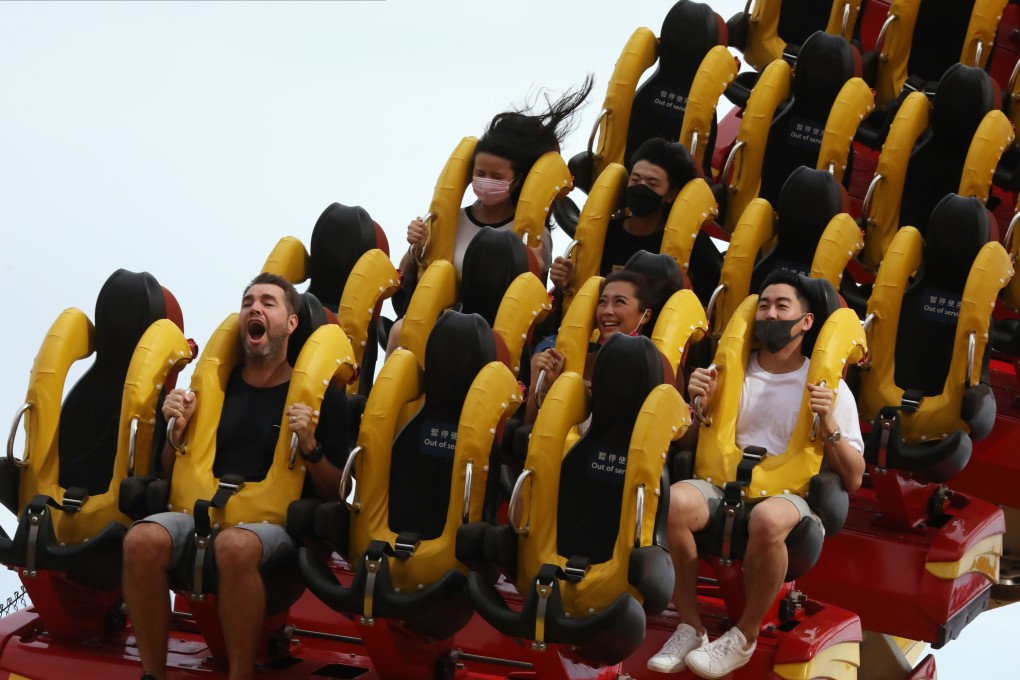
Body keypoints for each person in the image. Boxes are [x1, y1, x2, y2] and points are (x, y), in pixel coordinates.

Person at [123, 273, 349, 680]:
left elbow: (337, 492)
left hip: (271, 527)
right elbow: (167, 471)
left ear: (290, 323)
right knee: (142, 537)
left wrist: (310, 444)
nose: (255, 309)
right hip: (201, 511)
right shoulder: (214, 390)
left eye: (268, 302)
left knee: (235, 545)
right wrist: (175, 432)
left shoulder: (319, 398)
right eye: (248, 302)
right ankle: (152, 674)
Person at [647, 271, 865, 678]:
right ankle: (689, 626)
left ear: (806, 322)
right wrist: (697, 403)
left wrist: (829, 421)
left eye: (782, 306)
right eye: (764, 305)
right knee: (674, 500)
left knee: (766, 519)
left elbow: (853, 477)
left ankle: (743, 635)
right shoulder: (728, 371)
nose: (770, 313)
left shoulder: (828, 386)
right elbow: (690, 444)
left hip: (786, 494)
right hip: (720, 482)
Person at [549, 137, 699, 293]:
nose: (641, 187)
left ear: (671, 194)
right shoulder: (603, 234)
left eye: (652, 183)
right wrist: (566, 281)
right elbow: (574, 288)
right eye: (635, 179)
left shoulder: (689, 244)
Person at [523, 269, 654, 424]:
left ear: (645, 316)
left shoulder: (655, 368)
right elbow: (528, 428)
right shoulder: (560, 363)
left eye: (619, 302)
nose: (607, 311)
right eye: (602, 302)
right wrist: (543, 387)